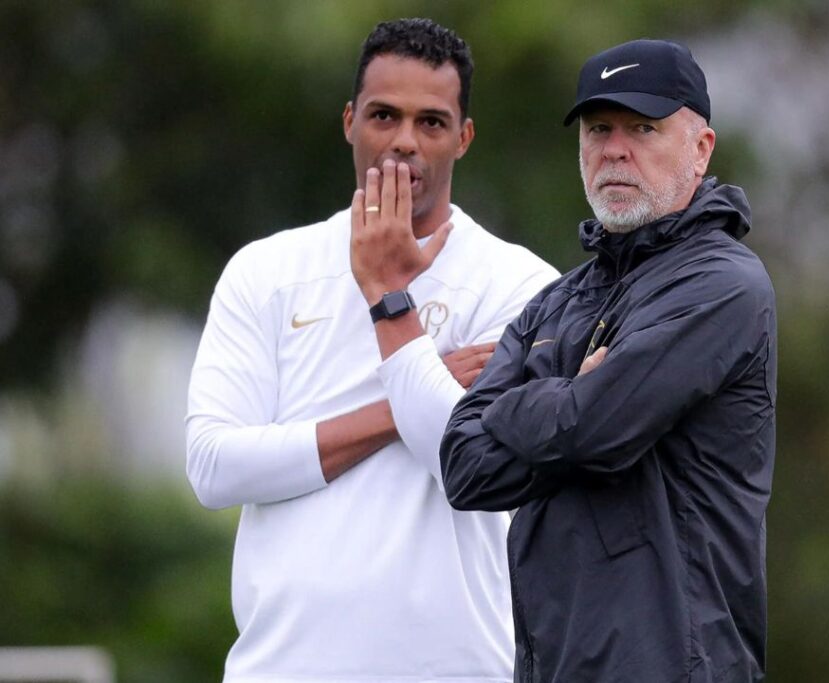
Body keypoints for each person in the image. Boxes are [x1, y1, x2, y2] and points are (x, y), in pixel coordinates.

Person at [186, 18, 558, 683]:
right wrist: (410, 394)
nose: (405, 142)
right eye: (385, 115)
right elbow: (215, 465)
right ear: (350, 121)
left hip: (460, 668)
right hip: (285, 665)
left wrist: (387, 289)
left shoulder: (523, 286)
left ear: (464, 137)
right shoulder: (267, 270)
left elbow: (471, 468)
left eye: (432, 122)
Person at [441, 39, 777, 682]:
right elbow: (464, 468)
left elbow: (596, 431)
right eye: (599, 129)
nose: (615, 150)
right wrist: (570, 395)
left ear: (701, 148)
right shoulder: (556, 301)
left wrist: (518, 402)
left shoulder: (725, 285)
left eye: (643, 128)